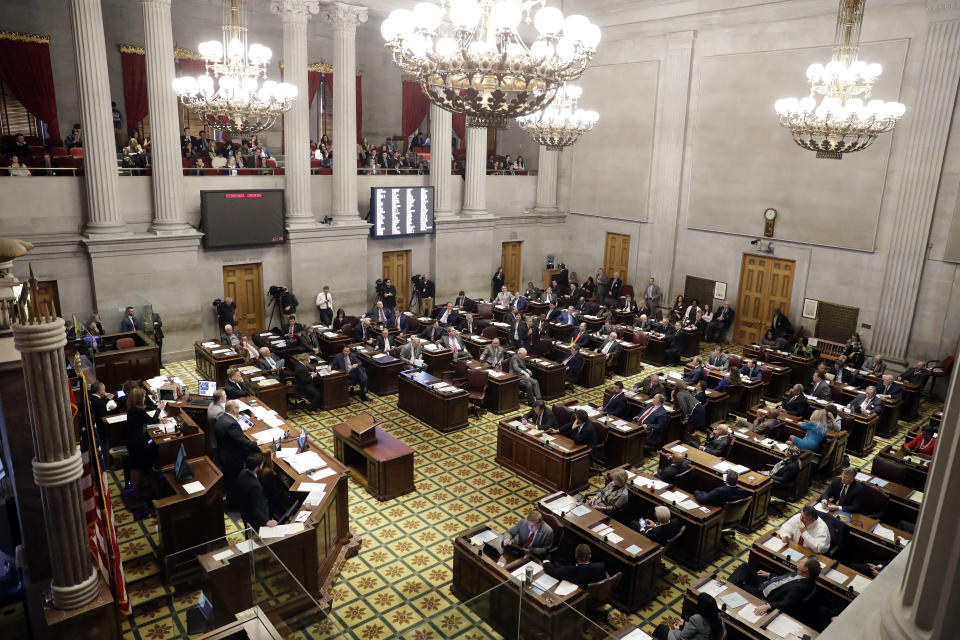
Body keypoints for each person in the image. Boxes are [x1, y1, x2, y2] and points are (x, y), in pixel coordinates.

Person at [728, 555, 819, 618]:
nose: (799, 561)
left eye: (802, 562)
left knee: (739, 586)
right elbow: (783, 580)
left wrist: (769, 606)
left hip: (763, 595)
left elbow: (787, 603)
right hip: (764, 583)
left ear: (805, 569)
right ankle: (726, 585)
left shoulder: (801, 587)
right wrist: (769, 575)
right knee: (745, 567)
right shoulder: (800, 574)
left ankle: (724, 589)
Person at [215, 400, 260, 504]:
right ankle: (234, 503)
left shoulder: (222, 417)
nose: (238, 410)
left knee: (229, 480)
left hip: (222, 453)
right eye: (238, 408)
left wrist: (238, 430)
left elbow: (232, 434)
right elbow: (241, 441)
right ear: (234, 409)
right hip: (232, 457)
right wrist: (256, 444)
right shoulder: (231, 423)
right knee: (234, 480)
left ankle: (232, 499)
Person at [124, 388, 159, 494]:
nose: (145, 399)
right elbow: (153, 420)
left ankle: (137, 489)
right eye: (143, 397)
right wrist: (159, 409)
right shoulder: (139, 411)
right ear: (140, 399)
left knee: (135, 466)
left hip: (132, 441)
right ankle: (138, 491)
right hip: (139, 443)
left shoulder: (131, 409)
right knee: (139, 467)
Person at [652, 591, 722, 640]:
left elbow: (682, 638)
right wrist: (684, 623)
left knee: (661, 629)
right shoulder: (716, 616)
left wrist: (677, 630)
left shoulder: (697, 618)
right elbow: (699, 628)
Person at [234, 453, 278, 531]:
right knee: (256, 536)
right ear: (257, 467)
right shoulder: (255, 486)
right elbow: (255, 508)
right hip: (254, 518)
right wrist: (266, 521)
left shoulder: (242, 473)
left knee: (247, 530)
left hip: (244, 511)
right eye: (261, 464)